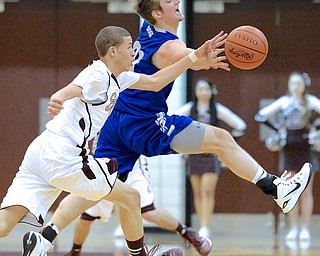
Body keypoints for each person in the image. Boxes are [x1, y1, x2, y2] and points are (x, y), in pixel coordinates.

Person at [25, 0, 312, 255]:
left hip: (117, 122)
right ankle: (275, 188)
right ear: (156, 13)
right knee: (221, 139)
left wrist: (197, 60)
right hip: (144, 122)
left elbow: (184, 57)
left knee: (100, 186)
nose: (176, 2)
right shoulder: (167, 44)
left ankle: (46, 237)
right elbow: (182, 55)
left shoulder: (147, 34)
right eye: (168, 1)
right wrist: (200, 58)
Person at [0, 25, 221, 256]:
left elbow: (156, 81)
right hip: (63, 154)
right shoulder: (97, 74)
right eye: (129, 47)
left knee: (5, 225)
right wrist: (58, 98)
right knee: (131, 197)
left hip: (40, 151)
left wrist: (193, 56)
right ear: (113, 51)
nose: (134, 52)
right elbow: (71, 89)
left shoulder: (121, 78)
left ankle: (41, 243)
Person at [65, 155, 210, 256]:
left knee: (148, 213)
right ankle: (75, 251)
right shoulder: (96, 114)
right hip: (105, 163)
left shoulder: (129, 112)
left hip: (132, 165)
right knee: (86, 216)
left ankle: (186, 233)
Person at [176, 78, 247, 238]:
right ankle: (201, 224)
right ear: (195, 92)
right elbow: (169, 120)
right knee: (197, 192)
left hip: (211, 156)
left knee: (207, 190)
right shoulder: (190, 108)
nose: (203, 92)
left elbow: (240, 125)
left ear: (211, 91)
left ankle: (205, 226)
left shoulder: (217, 109)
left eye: (206, 89)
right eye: (200, 89)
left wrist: (227, 146)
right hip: (193, 155)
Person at [255, 72, 320, 241]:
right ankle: (293, 228)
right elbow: (261, 115)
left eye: (299, 83)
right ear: (289, 86)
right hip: (289, 148)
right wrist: (278, 129)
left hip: (306, 148)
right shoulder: (284, 102)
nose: (296, 87)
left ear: (304, 85)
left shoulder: (311, 101)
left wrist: (315, 127)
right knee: (290, 190)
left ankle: (305, 228)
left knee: (306, 192)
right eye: (292, 84)